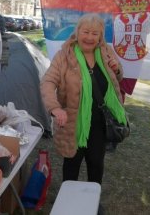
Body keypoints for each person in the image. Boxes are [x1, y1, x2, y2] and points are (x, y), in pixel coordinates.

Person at [40, 13, 125, 187]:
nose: (89, 37)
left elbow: (118, 78)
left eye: (95, 34)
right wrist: (55, 108)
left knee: (96, 164)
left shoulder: (106, 51)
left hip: (100, 123)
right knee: (71, 164)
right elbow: (48, 82)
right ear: (77, 32)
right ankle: (68, 201)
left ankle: (93, 201)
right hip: (72, 123)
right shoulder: (64, 56)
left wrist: (117, 69)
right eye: (86, 32)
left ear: (100, 36)